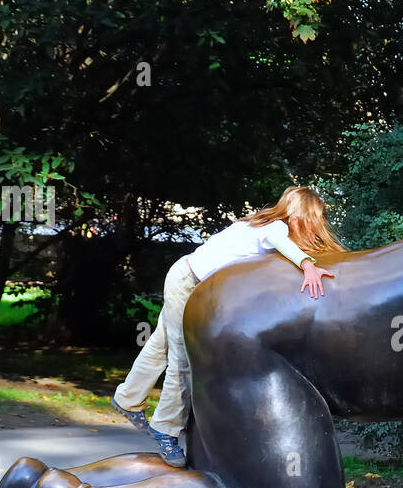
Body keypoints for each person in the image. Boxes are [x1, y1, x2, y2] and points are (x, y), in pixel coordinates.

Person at [110, 185, 342, 466]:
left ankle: (128, 398)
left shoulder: (258, 224)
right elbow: (282, 244)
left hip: (185, 275)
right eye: (311, 221)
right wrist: (307, 264)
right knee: (182, 359)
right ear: (298, 216)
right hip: (188, 283)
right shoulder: (275, 228)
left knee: (160, 345)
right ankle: (165, 428)